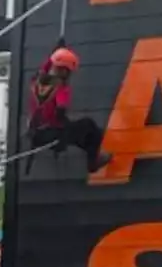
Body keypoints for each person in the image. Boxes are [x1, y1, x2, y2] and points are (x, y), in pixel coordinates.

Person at [26, 40, 112, 174]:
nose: (70, 75)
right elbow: (60, 111)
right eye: (69, 71)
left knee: (80, 133)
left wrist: (59, 50)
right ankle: (93, 162)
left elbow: (50, 63)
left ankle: (92, 153)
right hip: (52, 135)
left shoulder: (37, 79)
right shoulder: (62, 88)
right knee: (90, 127)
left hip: (35, 133)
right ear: (64, 71)